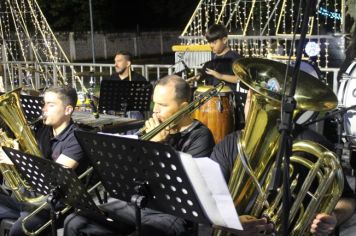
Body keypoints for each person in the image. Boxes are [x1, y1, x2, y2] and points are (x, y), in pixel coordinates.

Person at [63, 75, 215, 236]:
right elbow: (129, 171)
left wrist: (156, 146)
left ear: (184, 107)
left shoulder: (200, 136)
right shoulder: (153, 127)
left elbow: (187, 187)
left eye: (162, 105)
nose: (155, 110)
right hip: (138, 204)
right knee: (75, 221)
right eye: (154, 102)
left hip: (171, 213)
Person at [209, 89, 356, 236]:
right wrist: (230, 222)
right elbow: (208, 200)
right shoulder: (228, 145)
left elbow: (347, 200)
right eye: (253, 99)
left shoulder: (315, 145)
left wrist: (335, 217)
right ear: (248, 99)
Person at [0, 86, 87, 235]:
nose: (43, 109)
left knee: (17, 232)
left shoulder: (77, 138)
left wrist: (17, 159)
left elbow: (56, 177)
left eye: (51, 105)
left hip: (54, 206)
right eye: (44, 103)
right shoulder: (41, 129)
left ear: (68, 110)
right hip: (27, 199)